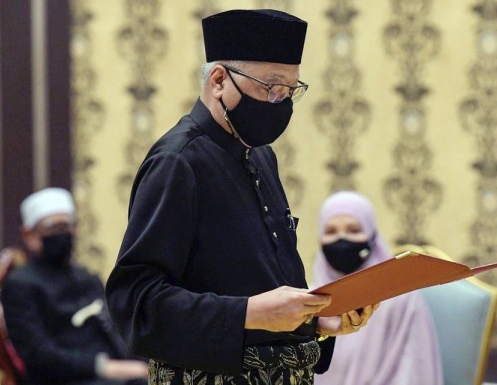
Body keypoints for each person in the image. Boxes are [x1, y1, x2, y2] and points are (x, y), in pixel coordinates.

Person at [105, 9, 377, 385]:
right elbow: (135, 302)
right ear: (219, 80)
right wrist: (248, 313)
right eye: (270, 87)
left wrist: (315, 321)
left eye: (290, 90)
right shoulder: (177, 163)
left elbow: (254, 282)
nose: (280, 102)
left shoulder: (260, 153)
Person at [1, 187, 148, 385]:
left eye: (68, 225)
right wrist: (107, 368)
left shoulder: (84, 276)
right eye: (53, 227)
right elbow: (39, 355)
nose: (63, 234)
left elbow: (117, 327)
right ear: (30, 235)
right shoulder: (20, 285)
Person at [313, 191, 444, 385]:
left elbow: (413, 372)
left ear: (373, 237)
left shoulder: (400, 297)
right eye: (331, 232)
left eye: (354, 230)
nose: (342, 239)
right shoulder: (309, 300)